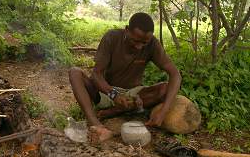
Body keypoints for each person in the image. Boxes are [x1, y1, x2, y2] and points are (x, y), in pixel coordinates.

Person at [69, 12, 181, 142]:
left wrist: (163, 112)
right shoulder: (111, 37)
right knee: (75, 72)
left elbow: (175, 74)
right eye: (135, 40)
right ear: (127, 30)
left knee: (164, 89)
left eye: (144, 43)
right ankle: (96, 124)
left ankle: (114, 111)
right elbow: (96, 74)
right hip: (105, 91)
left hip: (133, 95)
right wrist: (114, 95)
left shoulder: (153, 44)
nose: (139, 46)